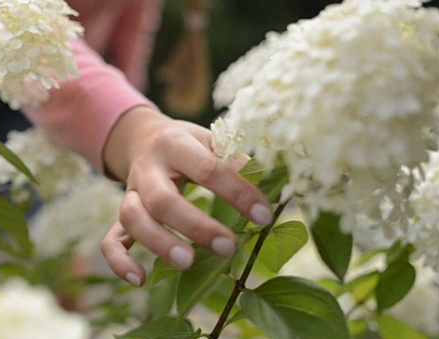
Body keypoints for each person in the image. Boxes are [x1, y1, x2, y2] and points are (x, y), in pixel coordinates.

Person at [23, 0, 272, 287]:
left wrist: (138, 125)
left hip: (73, 85)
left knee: (65, 261)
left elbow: (130, 40)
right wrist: (132, 128)